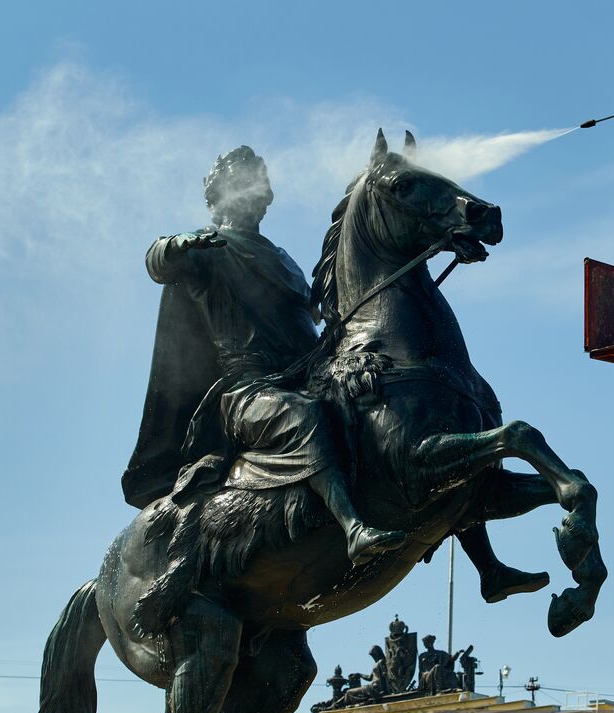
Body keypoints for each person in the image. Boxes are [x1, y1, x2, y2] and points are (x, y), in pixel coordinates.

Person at [121, 145, 404, 566]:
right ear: (222, 195)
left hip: (305, 377)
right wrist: (176, 244)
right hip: (248, 391)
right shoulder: (207, 250)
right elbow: (157, 260)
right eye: (248, 186)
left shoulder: (284, 260)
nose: (259, 197)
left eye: (261, 187)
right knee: (303, 417)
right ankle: (353, 528)